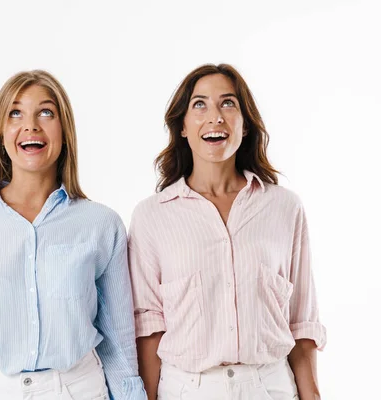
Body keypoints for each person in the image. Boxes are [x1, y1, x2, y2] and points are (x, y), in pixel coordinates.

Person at [0, 70, 145, 400]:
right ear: (1, 134)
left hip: (79, 389)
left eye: (46, 112)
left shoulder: (102, 224)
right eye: (15, 112)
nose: (31, 125)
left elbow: (119, 343)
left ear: (65, 132)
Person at [129, 64, 326, 400]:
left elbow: (301, 322)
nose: (215, 117)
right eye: (200, 105)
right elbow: (149, 330)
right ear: (182, 127)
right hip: (186, 389)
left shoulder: (284, 208)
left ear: (245, 125)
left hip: (271, 386)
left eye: (228, 103)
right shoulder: (152, 216)